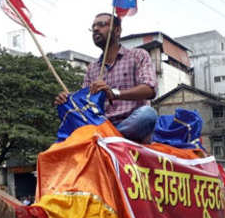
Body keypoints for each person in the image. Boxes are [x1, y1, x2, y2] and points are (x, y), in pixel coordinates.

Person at [54, 13, 157, 143]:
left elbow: (150, 90)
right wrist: (68, 100)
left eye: (102, 25)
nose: (96, 29)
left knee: (148, 114)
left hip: (131, 123)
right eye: (93, 27)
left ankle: (108, 139)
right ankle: (108, 138)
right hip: (101, 125)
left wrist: (114, 93)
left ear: (117, 31)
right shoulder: (92, 68)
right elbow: (85, 106)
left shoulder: (138, 55)